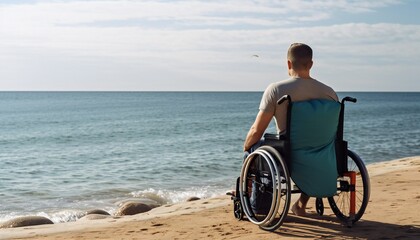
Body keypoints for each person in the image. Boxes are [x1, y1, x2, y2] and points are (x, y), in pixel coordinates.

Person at [243, 43, 338, 216]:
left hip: (288, 155)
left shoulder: (276, 90)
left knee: (253, 151)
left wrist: (247, 146)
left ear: (288, 64)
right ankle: (300, 205)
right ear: (311, 64)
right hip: (323, 154)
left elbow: (257, 131)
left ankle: (260, 206)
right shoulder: (329, 93)